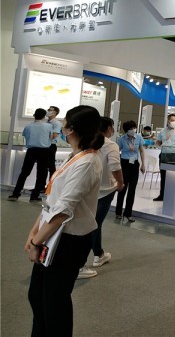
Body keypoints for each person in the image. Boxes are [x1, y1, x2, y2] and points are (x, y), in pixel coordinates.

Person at [25, 105, 104, 336]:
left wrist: (37, 242)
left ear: (71, 129)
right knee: (37, 295)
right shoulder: (75, 156)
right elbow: (53, 201)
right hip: (52, 234)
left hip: (68, 240)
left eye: (65, 122)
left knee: (54, 303)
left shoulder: (87, 162)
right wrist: (34, 232)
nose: (61, 126)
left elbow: (64, 210)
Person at [78, 117, 124, 279]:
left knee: (94, 224)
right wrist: (120, 182)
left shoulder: (85, 141)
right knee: (92, 225)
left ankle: (99, 254)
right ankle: (80, 264)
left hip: (87, 189)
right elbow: (115, 166)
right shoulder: (110, 145)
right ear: (109, 128)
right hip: (104, 190)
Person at [8, 108, 52, 202]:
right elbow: (51, 137)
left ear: (34, 115)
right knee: (41, 174)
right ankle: (34, 196)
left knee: (24, 172)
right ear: (44, 116)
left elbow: (25, 135)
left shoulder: (28, 126)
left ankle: (15, 194)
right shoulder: (48, 126)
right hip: (44, 151)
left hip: (31, 150)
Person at [116, 120, 145, 222]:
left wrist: (143, 164)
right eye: (130, 128)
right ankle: (118, 212)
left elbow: (142, 151)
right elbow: (117, 152)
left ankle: (128, 213)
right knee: (122, 188)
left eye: (134, 128)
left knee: (132, 190)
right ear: (126, 130)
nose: (133, 130)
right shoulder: (121, 139)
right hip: (124, 163)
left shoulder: (139, 137)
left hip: (135, 164)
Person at [154, 114, 175, 201]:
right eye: (172, 120)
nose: (174, 122)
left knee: (173, 177)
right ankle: (162, 195)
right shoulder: (162, 131)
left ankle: (172, 196)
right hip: (164, 155)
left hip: (174, 155)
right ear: (168, 121)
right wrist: (158, 143)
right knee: (163, 176)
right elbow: (159, 142)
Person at [46, 106, 61, 179]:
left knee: (51, 166)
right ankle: (42, 184)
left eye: (50, 110)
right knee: (44, 166)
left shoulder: (57, 123)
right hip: (45, 146)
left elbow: (55, 135)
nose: (48, 111)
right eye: (48, 110)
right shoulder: (47, 122)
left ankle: (51, 184)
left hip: (51, 146)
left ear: (55, 113)